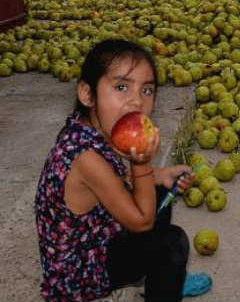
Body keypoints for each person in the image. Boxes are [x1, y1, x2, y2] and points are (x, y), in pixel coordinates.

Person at [35, 39, 212, 302]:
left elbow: (119, 180)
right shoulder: (85, 157)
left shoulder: (93, 130)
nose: (136, 102)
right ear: (87, 94)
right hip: (80, 273)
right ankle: (164, 279)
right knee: (171, 244)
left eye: (147, 91)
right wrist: (142, 165)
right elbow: (141, 220)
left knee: (160, 192)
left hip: (97, 235)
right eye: (121, 87)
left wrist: (159, 175)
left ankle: (162, 278)